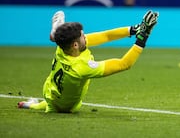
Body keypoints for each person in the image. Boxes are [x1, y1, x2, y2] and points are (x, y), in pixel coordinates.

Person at [17, 10, 159, 113]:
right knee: (56, 105)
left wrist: (134, 29)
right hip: (68, 107)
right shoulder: (82, 68)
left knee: (50, 103)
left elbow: (105, 36)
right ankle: (55, 32)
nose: (85, 37)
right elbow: (124, 64)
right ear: (75, 45)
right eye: (83, 36)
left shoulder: (63, 47)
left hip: (50, 93)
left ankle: (29, 105)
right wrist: (143, 36)